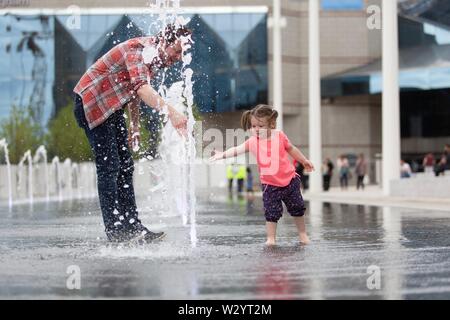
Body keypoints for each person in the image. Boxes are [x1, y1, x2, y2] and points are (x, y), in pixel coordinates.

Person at [73, 23, 190, 243]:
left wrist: (134, 126)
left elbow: (134, 92)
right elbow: (142, 89)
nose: (178, 58)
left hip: (112, 107)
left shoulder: (153, 59)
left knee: (126, 165)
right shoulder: (137, 50)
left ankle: (133, 226)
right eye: (177, 51)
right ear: (164, 41)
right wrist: (173, 113)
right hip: (91, 102)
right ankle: (115, 229)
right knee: (110, 166)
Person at [210, 104, 314, 246]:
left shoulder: (279, 136)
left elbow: (291, 149)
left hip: (289, 180)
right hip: (269, 185)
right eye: (253, 126)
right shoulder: (252, 142)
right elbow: (237, 149)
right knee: (271, 213)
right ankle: (271, 238)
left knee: (298, 209)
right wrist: (222, 155)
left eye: (260, 126)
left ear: (271, 124)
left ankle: (303, 235)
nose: (256, 130)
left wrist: (304, 161)